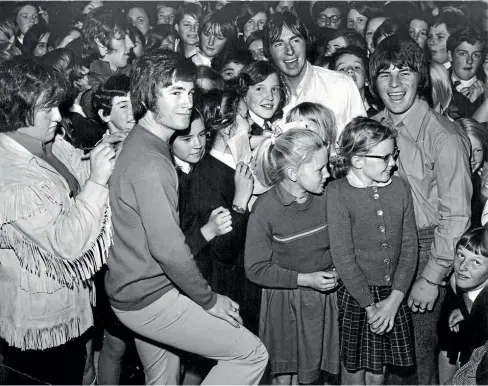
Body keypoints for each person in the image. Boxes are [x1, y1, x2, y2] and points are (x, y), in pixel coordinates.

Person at [105, 49, 268, 385]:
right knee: (252, 354)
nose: (186, 102)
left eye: (189, 92)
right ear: (148, 96)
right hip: (150, 297)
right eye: (174, 92)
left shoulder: (144, 142)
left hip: (135, 291)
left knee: (164, 380)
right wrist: (208, 301)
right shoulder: (151, 162)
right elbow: (168, 248)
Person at [0, 55, 115, 385]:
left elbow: (79, 176)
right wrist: (97, 182)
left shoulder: (46, 143)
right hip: (41, 321)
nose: (57, 115)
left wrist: (106, 153)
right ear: (16, 107)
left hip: (72, 303)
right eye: (46, 107)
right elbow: (67, 244)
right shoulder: (10, 176)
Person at [371, 35, 472, 384]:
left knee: (416, 359)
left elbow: (457, 216)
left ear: (421, 78)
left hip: (426, 248)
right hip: (376, 247)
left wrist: (432, 276)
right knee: (380, 361)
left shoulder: (443, 137)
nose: (395, 84)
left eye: (405, 73)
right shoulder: (371, 128)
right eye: (385, 74)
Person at [327, 117, 417, 385]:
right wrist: (369, 306)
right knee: (353, 372)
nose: (394, 163)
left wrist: (394, 301)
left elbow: (410, 246)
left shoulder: (400, 188)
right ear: (357, 160)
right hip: (357, 297)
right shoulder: (338, 192)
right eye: (386, 157)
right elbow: (343, 257)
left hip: (392, 295)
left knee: (377, 376)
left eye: (394, 155)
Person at [245, 129, 340, 385]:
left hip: (323, 299)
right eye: (320, 169)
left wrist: (338, 269)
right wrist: (304, 279)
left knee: (314, 376)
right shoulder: (266, 210)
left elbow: (341, 244)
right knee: (284, 377)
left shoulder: (328, 197)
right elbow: (255, 269)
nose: (328, 174)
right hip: (285, 302)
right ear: (293, 174)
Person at [263, 11, 365, 138]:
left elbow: (362, 143)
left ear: (306, 42)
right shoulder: (265, 96)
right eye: (279, 44)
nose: (289, 51)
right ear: (268, 51)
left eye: (295, 40)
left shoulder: (341, 85)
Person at [441, 227, 488, 383]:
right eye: (461, 255)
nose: (462, 267)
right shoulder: (456, 281)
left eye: (476, 262)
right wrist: (466, 311)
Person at [238, 60, 288, 148]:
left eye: (274, 89)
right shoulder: (243, 132)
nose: (270, 97)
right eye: (259, 89)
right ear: (244, 93)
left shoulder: (274, 126)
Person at [446, 25, 486, 119]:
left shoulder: (485, 89)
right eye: (463, 54)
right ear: (450, 55)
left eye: (476, 55)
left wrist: (476, 104)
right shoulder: (436, 81)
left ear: (481, 60)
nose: (469, 61)